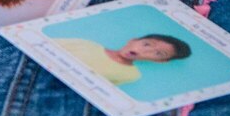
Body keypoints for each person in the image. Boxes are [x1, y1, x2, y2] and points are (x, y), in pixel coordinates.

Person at [54, 33, 193, 87]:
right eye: (146, 44)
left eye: (158, 53)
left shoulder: (131, 75)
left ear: (161, 61)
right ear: (132, 41)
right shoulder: (85, 43)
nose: (146, 51)